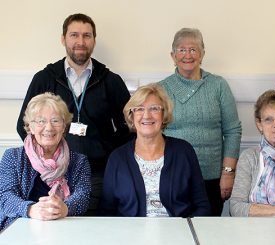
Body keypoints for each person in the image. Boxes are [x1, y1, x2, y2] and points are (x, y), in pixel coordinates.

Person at [16, 13, 131, 215]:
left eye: (87, 36)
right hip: (49, 175)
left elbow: (129, 127)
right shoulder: (45, 78)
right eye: (74, 35)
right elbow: (23, 125)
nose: (80, 42)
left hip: (97, 174)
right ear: (63, 39)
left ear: (94, 40)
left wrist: (106, 151)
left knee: (90, 229)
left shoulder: (110, 81)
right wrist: (44, 161)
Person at [159, 28, 242, 216]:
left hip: (212, 178)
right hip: (173, 176)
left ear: (202, 54)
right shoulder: (161, 88)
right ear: (173, 56)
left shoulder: (218, 85)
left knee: (209, 233)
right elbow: (154, 133)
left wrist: (228, 173)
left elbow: (232, 131)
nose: (187, 55)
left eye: (193, 49)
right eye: (181, 50)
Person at [98, 84, 210, 217]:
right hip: (131, 233)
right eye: (139, 109)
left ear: (164, 115)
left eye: (154, 109)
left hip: (177, 233)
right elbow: (106, 211)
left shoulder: (184, 151)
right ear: (131, 117)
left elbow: (202, 205)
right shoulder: (117, 158)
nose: (146, 115)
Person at [0, 93, 91, 231]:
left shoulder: (79, 161)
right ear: (30, 127)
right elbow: (5, 197)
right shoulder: (12, 157)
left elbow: (83, 196)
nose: (49, 128)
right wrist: (31, 209)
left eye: (55, 120)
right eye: (40, 121)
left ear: (64, 126)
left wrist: (65, 207)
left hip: (65, 229)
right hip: (20, 228)